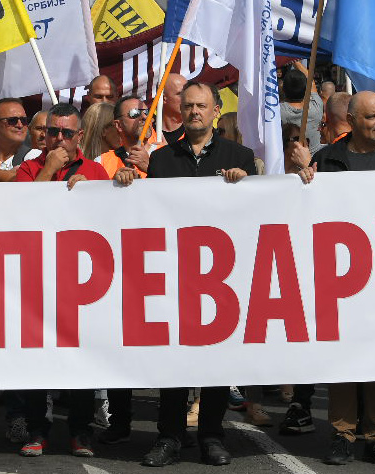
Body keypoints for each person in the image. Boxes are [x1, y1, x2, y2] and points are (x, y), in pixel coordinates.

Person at [128, 82, 256, 467]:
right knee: (174, 361)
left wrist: (244, 186)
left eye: (201, 106)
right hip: (175, 272)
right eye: (188, 106)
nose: (194, 112)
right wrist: (127, 186)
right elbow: (151, 212)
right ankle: (169, 436)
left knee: (216, 361)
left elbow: (258, 211)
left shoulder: (241, 155)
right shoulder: (163, 159)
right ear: (180, 111)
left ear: (217, 110)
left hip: (222, 276)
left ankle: (212, 437)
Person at [296, 92, 375, 468]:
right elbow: (303, 209)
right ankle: (343, 435)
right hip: (340, 274)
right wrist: (302, 177)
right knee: (344, 356)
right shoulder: (327, 161)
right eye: (372, 117)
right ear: (352, 119)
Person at [15, 103, 110, 186]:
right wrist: (48, 170)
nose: (59, 137)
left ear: (80, 136)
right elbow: (27, 204)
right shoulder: (27, 168)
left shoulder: (96, 170)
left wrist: (87, 190)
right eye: (53, 131)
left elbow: (106, 205)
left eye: (67, 133)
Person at [0, 98, 39, 182]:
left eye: (24, 120)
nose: (20, 125)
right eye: (12, 121)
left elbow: (19, 179)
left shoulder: (35, 156)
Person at [99, 97, 151, 180]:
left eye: (147, 112)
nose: (144, 117)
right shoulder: (102, 162)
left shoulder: (169, 153)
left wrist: (149, 167)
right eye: (134, 113)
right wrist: (112, 184)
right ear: (119, 125)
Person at [279, 63, 324, 150]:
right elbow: (311, 82)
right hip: (314, 161)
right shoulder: (316, 107)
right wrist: (295, 61)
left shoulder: (277, 112)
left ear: (283, 90)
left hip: (287, 161)